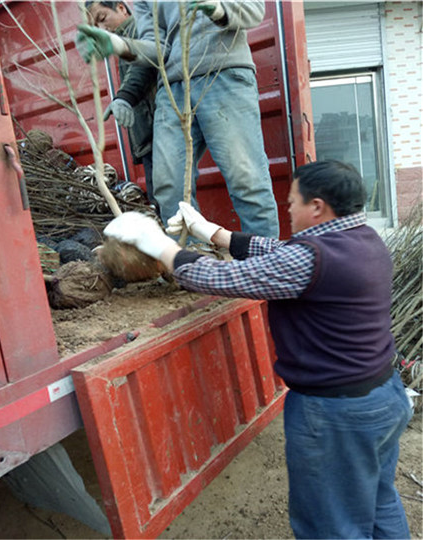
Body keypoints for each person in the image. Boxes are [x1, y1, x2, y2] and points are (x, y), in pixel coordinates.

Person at [103, 160, 413, 539]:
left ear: (317, 207)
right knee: (379, 501)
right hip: (384, 398)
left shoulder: (312, 258)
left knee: (331, 523)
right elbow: (281, 251)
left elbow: (219, 277)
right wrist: (215, 233)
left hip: (336, 414)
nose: (287, 209)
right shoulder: (364, 238)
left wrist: (159, 245)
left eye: (291, 202)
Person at [76, 0, 279, 237]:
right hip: (172, 90)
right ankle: (191, 262)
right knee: (168, 185)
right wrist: (120, 44)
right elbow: (158, 49)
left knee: (245, 177)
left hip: (223, 72)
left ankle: (264, 260)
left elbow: (254, 10)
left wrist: (218, 8)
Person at [83, 1, 159, 213]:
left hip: (156, 133)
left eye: (102, 19)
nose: (102, 29)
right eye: (95, 26)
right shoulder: (126, 37)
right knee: (159, 198)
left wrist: (123, 98)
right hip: (150, 135)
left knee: (164, 196)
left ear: (121, 8)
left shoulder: (138, 32)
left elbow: (142, 72)